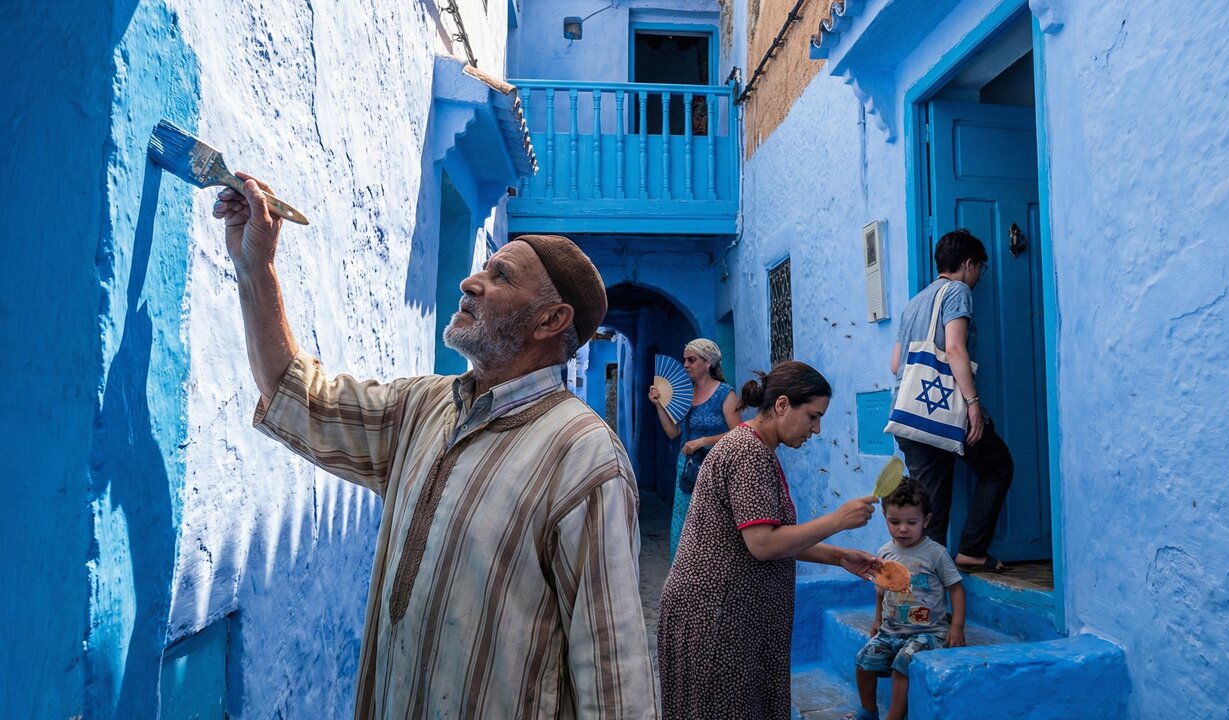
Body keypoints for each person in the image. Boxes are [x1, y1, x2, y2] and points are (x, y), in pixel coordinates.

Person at [213, 174, 659, 718]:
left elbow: (614, 675)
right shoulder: (423, 407)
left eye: (501, 276)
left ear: (552, 320)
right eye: (482, 269)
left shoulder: (584, 458)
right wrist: (255, 267)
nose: (471, 282)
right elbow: (298, 396)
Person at [657, 361, 883, 719]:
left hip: (726, 614)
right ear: (781, 405)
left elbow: (774, 536)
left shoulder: (756, 448)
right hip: (716, 616)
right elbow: (763, 544)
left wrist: (837, 556)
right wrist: (837, 520)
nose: (817, 428)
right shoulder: (748, 452)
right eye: (812, 416)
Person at [889, 229, 1015, 573]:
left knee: (931, 505)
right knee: (998, 467)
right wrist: (973, 404)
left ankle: (923, 596)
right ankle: (972, 550)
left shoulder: (914, 302)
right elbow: (956, 348)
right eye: (980, 269)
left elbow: (895, 365)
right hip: (945, 411)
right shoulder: (957, 291)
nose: (978, 277)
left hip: (908, 413)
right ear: (969, 264)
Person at [847, 479, 965, 720]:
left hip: (928, 632)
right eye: (894, 522)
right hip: (890, 631)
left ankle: (895, 717)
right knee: (863, 662)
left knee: (903, 664)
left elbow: (956, 589)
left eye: (911, 522)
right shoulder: (884, 553)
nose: (903, 529)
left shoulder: (935, 553)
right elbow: (881, 590)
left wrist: (957, 627)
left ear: (926, 520)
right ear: (884, 516)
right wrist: (877, 620)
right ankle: (868, 712)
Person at [647, 338, 740, 559]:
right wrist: (659, 405)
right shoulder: (685, 395)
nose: (686, 364)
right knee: (684, 520)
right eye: (685, 360)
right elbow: (673, 433)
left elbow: (738, 434)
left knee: (713, 523)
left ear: (708, 363)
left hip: (717, 468)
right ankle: (684, 575)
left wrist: (703, 441)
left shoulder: (726, 394)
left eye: (692, 360)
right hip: (688, 468)